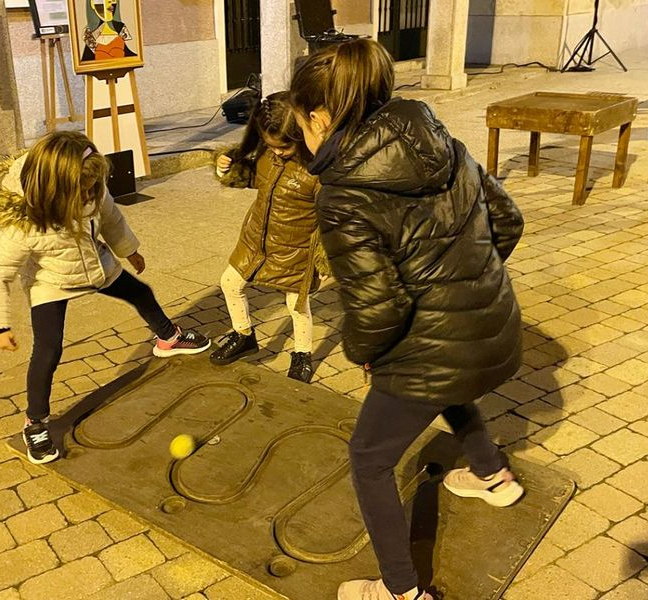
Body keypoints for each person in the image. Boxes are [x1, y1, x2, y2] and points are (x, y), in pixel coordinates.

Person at [290, 39, 525, 600]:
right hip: (492, 330)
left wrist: (365, 354)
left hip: (433, 346)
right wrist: (465, 283)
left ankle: (400, 591)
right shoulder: (449, 147)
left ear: (320, 119)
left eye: (301, 125)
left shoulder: (342, 194)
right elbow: (509, 223)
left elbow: (379, 310)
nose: (301, 136)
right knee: (440, 380)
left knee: (369, 459)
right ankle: (493, 476)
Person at [0, 131, 210, 465]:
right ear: (54, 188)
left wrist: (130, 252)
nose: (90, 194)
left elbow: (112, 219)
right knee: (48, 350)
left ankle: (168, 338)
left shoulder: (93, 189)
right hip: (51, 281)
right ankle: (35, 422)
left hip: (96, 266)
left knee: (141, 293)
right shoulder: (24, 222)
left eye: (93, 187)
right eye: (82, 190)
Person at [211, 91, 327, 383]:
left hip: (296, 250)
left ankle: (302, 353)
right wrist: (228, 168)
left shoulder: (318, 171)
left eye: (283, 147)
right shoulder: (267, 154)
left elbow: (332, 218)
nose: (276, 151)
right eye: (270, 145)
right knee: (230, 282)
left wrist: (324, 262)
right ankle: (244, 334)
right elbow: (253, 178)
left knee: (297, 306)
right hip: (256, 241)